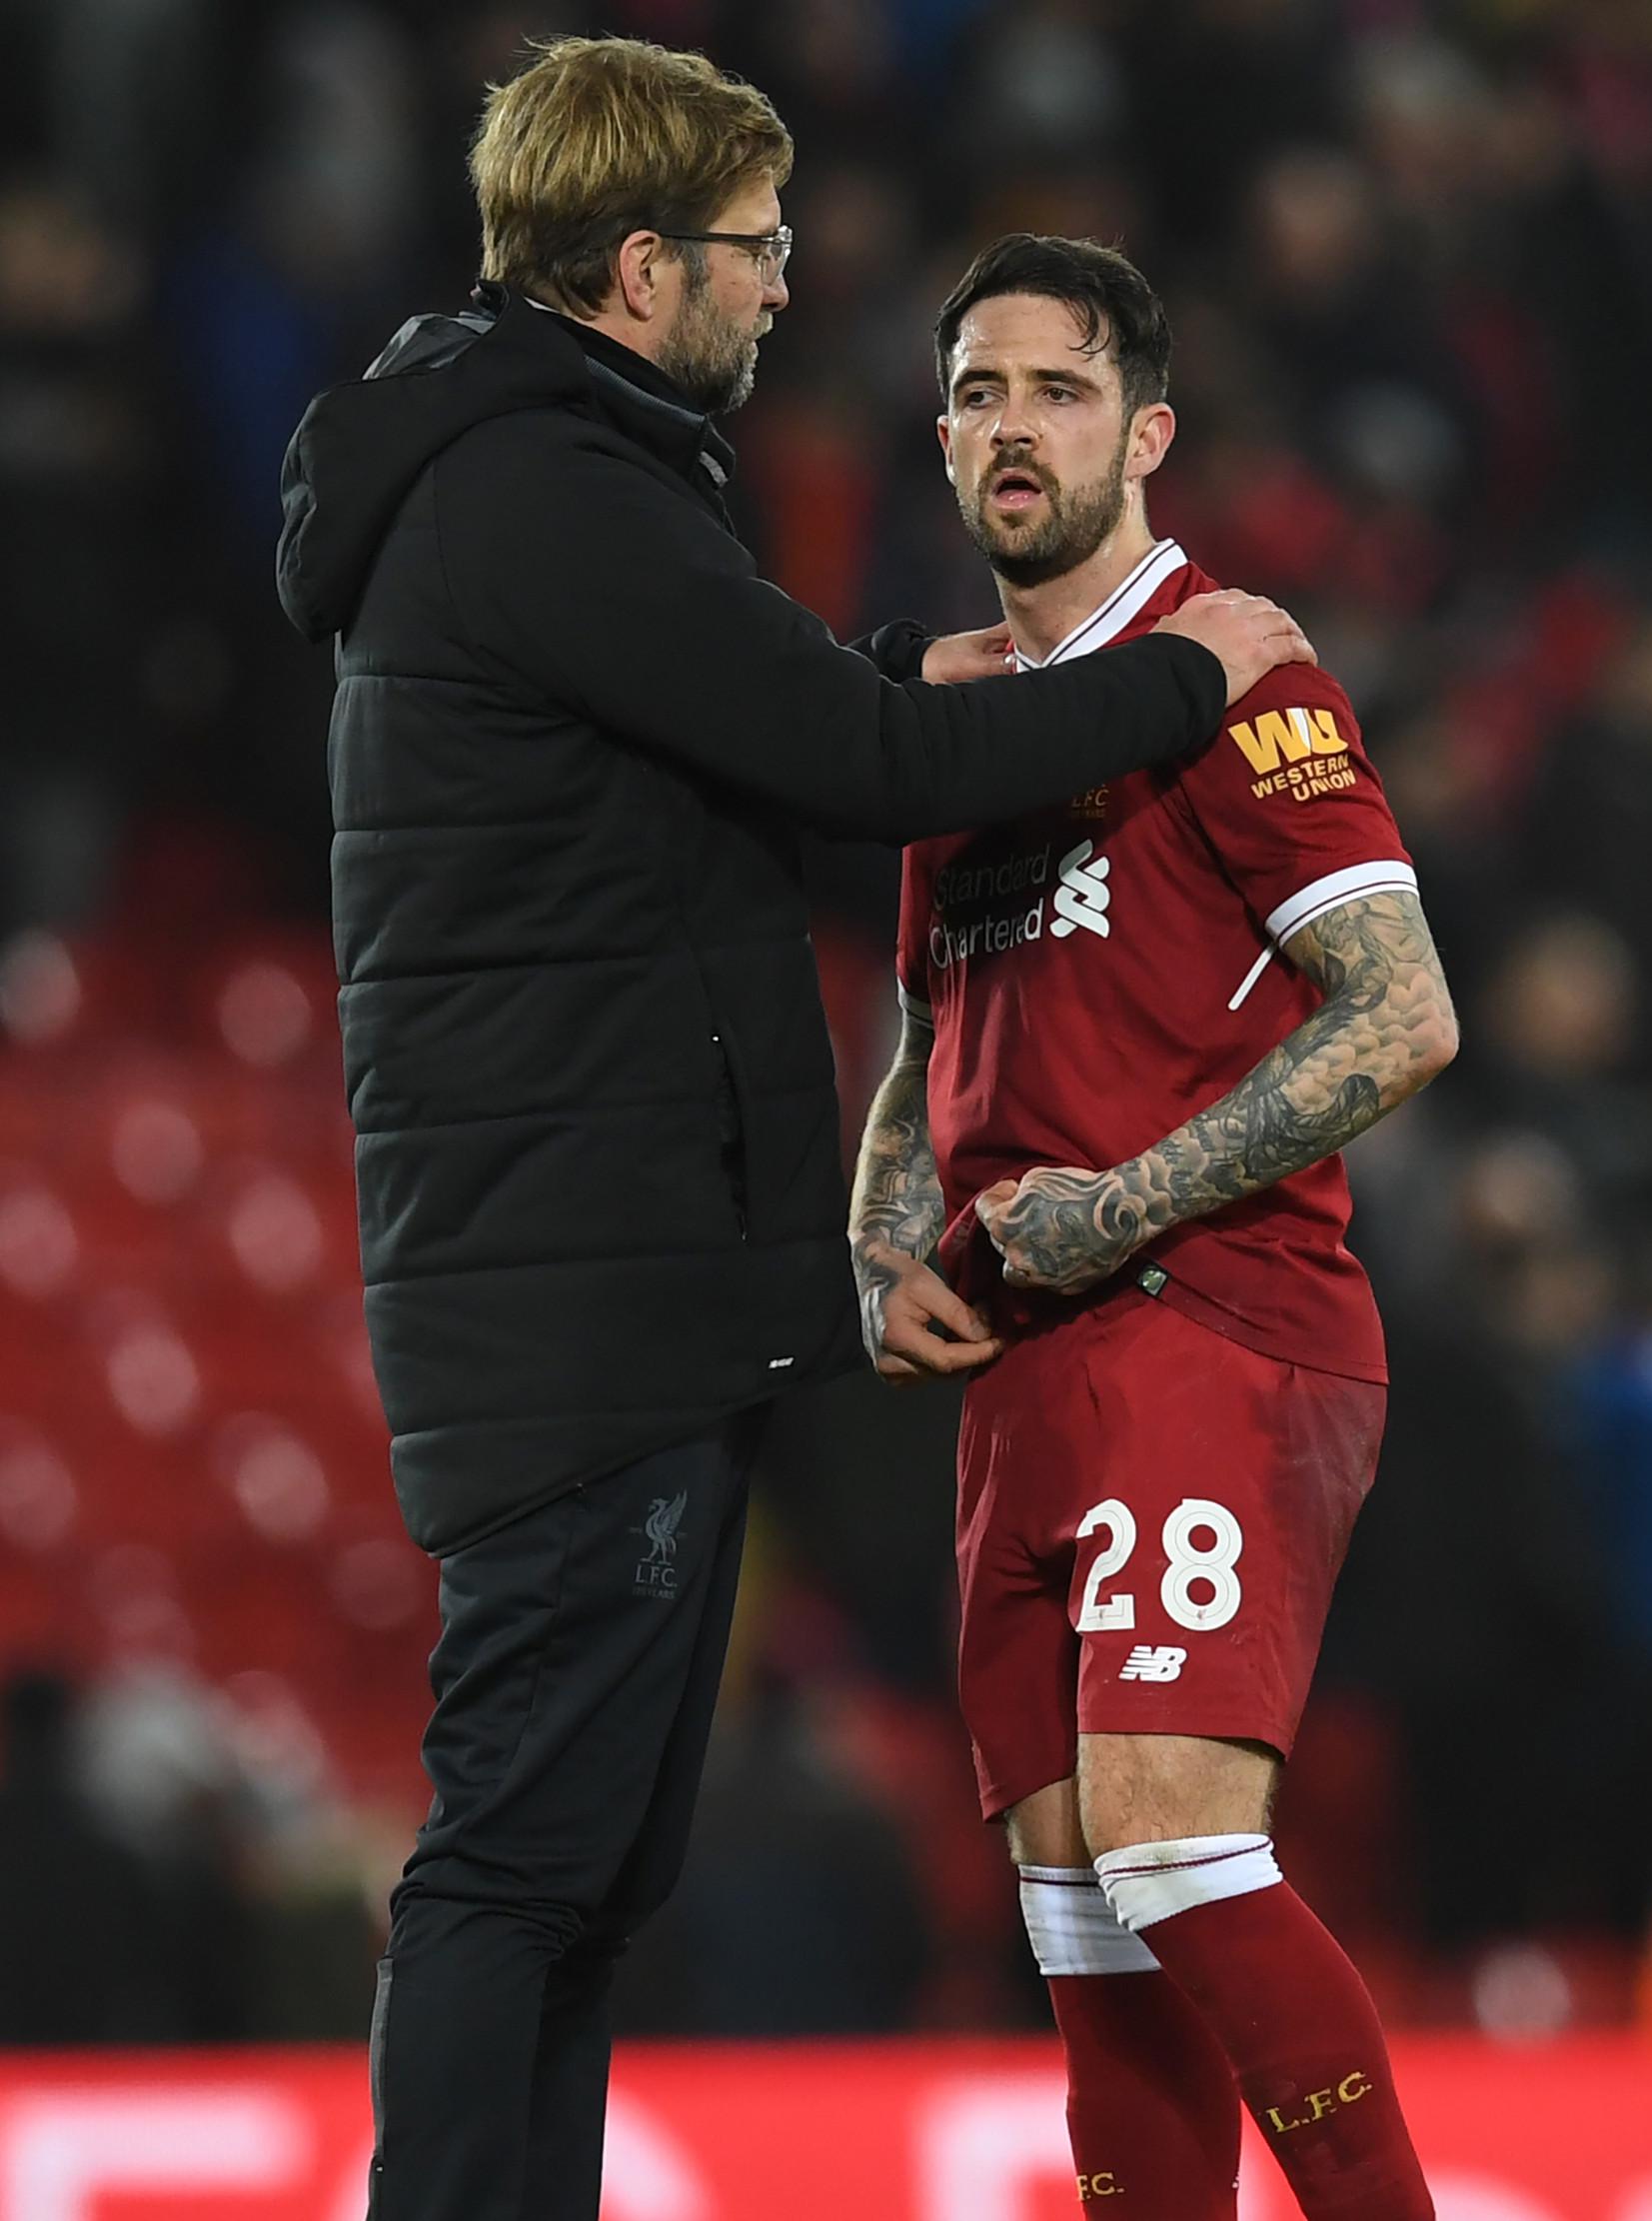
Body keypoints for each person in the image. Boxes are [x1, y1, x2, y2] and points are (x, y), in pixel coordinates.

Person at [274, 37, 1314, 2221]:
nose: (782, 288)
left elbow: (742, 779)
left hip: (602, 1288)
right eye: (751, 251)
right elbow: (860, 762)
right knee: (519, 1865)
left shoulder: (535, 473)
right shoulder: (541, 489)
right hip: (584, 1311)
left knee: (574, 1876)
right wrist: (1184, 675)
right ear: (641, 264)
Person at [850, 234, 1460, 2219]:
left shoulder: (1236, 674)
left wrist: (1117, 1202)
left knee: (1176, 1845)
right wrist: (879, 1243)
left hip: (1213, 1312)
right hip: (1027, 1366)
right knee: (1082, 1923)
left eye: (1056, 388)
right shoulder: (962, 715)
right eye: (975, 392)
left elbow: (1403, 1009)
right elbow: (924, 1024)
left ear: (1149, 432)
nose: (1009, 426)